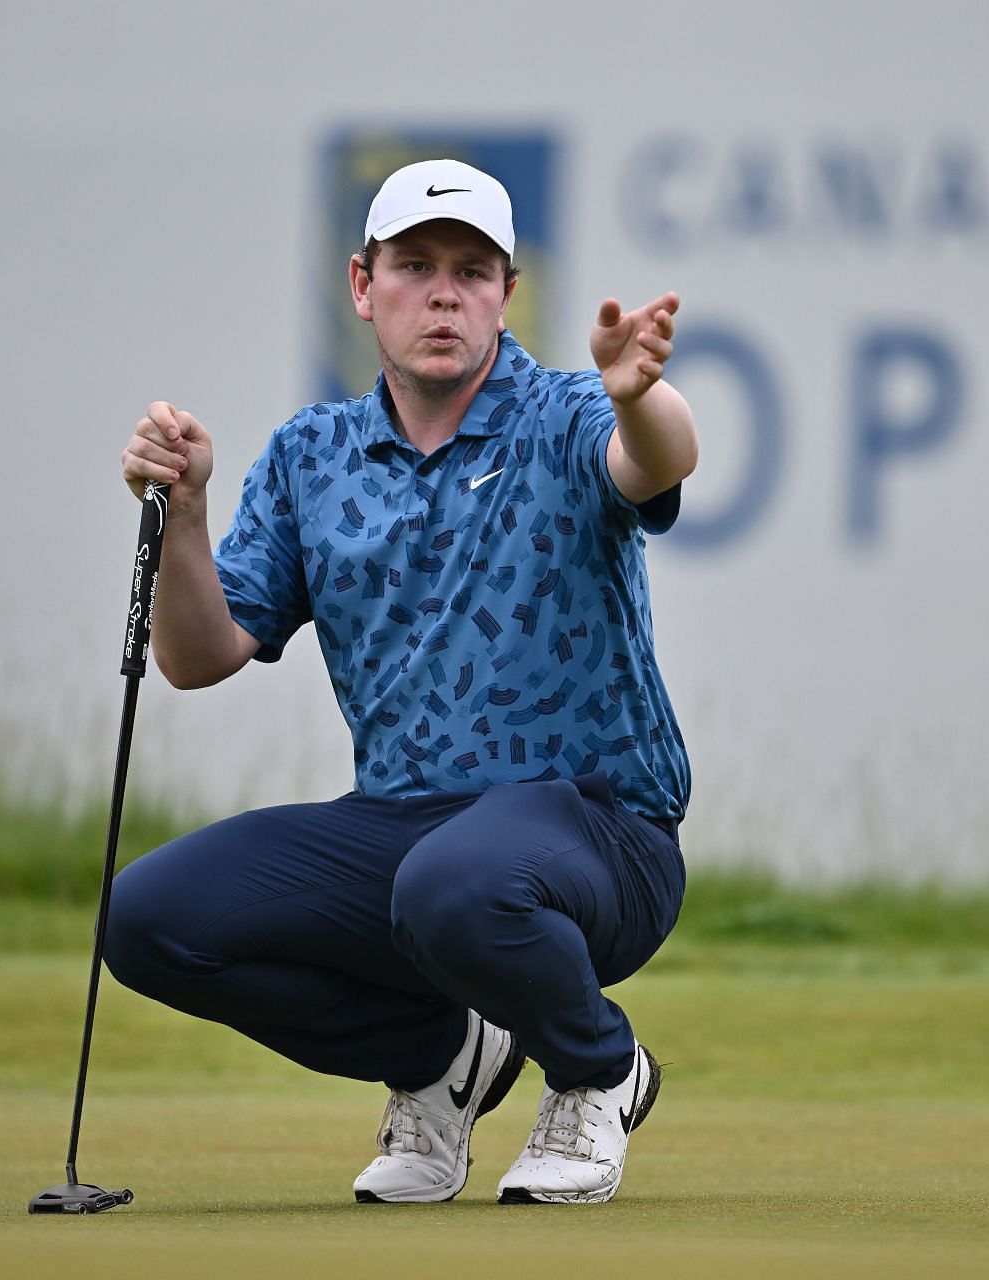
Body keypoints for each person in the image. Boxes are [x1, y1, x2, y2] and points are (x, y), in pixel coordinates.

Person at [105, 157, 696, 1206]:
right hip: (409, 836)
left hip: (603, 836)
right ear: (362, 284)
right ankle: (439, 1055)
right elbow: (200, 657)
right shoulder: (312, 454)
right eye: (415, 265)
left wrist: (640, 394)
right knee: (148, 916)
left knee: (456, 878)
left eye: (472, 271)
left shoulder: (565, 415)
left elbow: (657, 460)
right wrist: (186, 514)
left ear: (508, 293)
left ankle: (599, 1069)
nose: (443, 292)